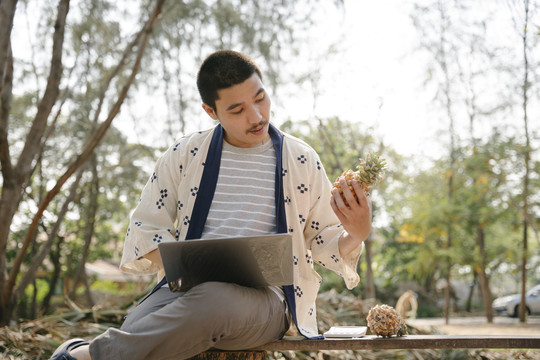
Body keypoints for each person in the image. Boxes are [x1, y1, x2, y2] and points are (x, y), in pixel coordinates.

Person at [51, 50, 372, 360]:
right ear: (210, 111)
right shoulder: (185, 154)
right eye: (237, 109)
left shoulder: (301, 159)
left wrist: (356, 232)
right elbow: (145, 227)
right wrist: (185, 262)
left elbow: (322, 240)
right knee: (136, 325)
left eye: (260, 98)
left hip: (269, 301)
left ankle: (82, 355)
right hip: (185, 291)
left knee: (213, 301)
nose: (257, 116)